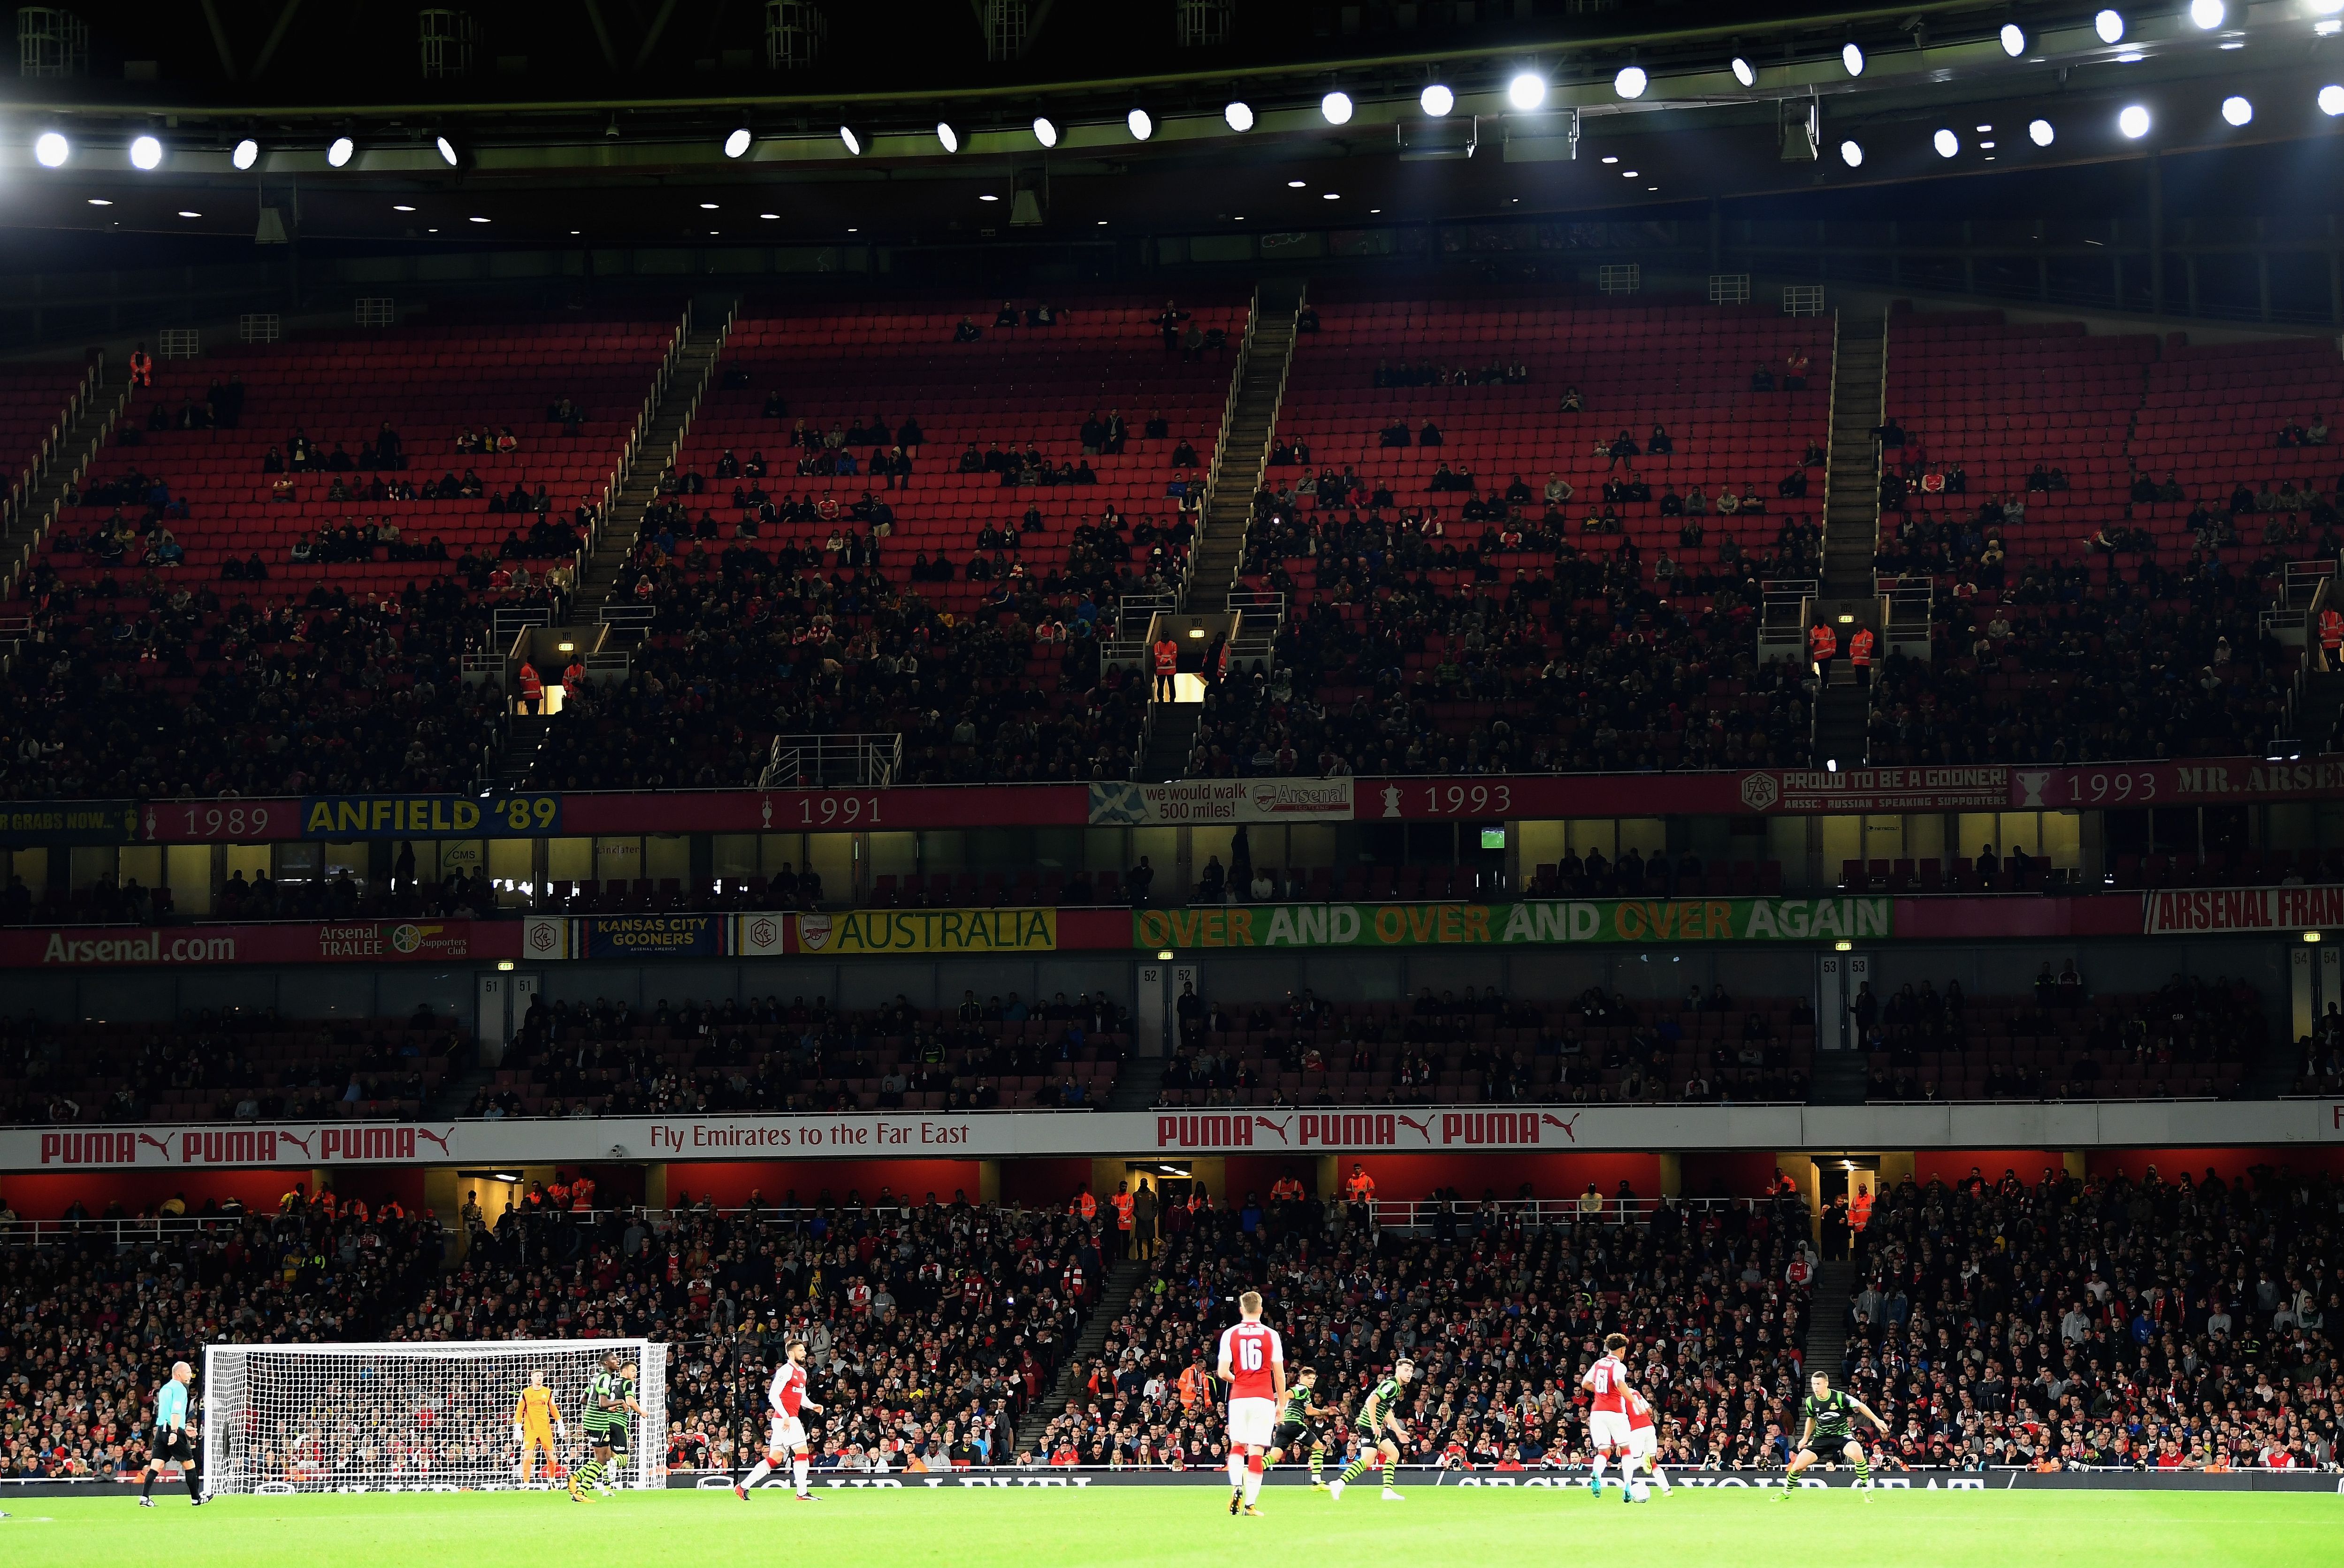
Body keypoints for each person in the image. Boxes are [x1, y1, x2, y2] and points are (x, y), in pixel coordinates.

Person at [1216, 1289, 1285, 1516]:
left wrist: (1241, 1380)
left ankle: (1237, 1485)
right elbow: (1279, 1374)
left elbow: (1222, 1372)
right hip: (1264, 1397)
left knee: (1237, 1445)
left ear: (1241, 1310)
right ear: (1261, 1310)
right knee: (1257, 1450)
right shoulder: (1271, 1335)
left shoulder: (1230, 1334)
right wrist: (1281, 1404)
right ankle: (1250, 1504)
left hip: (1239, 1397)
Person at [734, 1339, 824, 1502]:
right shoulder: (786, 1370)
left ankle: (742, 1487)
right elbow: (773, 1395)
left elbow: (801, 1397)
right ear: (791, 1354)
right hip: (787, 1419)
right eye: (801, 1351)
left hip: (784, 1420)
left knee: (775, 1459)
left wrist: (812, 1406)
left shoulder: (802, 1373)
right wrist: (785, 1416)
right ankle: (802, 1493)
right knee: (803, 1453)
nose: (805, 1353)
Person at [1779, 1369, 1887, 1498]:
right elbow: (1811, 1419)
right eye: (1814, 1384)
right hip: (1821, 1438)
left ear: (1826, 1384)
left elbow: (1860, 1405)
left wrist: (1877, 1420)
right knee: (1797, 1466)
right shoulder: (1810, 1401)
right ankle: (1786, 1493)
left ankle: (1866, 1488)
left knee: (1858, 1454)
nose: (1815, 1387)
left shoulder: (1840, 1397)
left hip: (1842, 1436)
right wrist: (1805, 1439)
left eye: (1818, 1384)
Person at [1328, 1358, 1413, 1501]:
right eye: (1406, 1370)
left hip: (1373, 1425)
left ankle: (1387, 1491)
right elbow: (1372, 1401)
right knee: (1368, 1460)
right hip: (1369, 1425)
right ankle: (1339, 1483)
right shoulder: (1391, 1385)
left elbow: (1386, 1409)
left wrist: (1398, 1430)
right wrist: (1374, 1425)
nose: (1409, 1374)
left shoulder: (1396, 1387)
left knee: (1394, 1454)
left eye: (1411, 1371)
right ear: (1398, 1371)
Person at [569, 1352, 641, 1500]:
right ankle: (581, 1493)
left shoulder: (596, 1377)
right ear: (606, 1363)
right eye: (614, 1359)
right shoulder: (607, 1377)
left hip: (592, 1419)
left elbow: (584, 1399)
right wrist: (620, 1403)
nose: (618, 1360)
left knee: (605, 1457)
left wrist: (599, 1407)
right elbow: (603, 1403)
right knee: (603, 1460)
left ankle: (575, 1479)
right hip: (598, 1421)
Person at [139, 1360, 205, 1507]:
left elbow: (167, 1412)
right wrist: (175, 1431)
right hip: (171, 1429)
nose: (191, 1375)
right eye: (188, 1372)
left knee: (156, 1465)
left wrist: (183, 1427)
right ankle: (196, 1499)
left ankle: (144, 1498)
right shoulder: (180, 1389)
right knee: (189, 1464)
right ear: (179, 1373)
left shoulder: (165, 1389)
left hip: (161, 1430)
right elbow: (175, 1411)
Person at [1581, 1331, 1636, 1499]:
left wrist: (1599, 1392)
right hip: (1615, 1411)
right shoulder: (1619, 1366)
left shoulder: (1598, 1364)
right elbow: (1620, 1384)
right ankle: (1627, 1485)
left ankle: (1597, 1473)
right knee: (1627, 1450)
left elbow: (1585, 1383)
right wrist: (1633, 1402)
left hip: (1597, 1412)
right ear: (1621, 1350)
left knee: (1603, 1451)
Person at [1265, 1365, 1334, 1488]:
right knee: (1318, 1447)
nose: (1312, 1381)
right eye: (1309, 1378)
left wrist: (1326, 1412)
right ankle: (1317, 1482)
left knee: (1274, 1457)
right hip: (1294, 1424)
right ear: (1301, 1378)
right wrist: (1279, 1410)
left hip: (1283, 1427)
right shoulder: (1303, 1389)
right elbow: (1286, 1394)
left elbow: (1309, 1411)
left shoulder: (1304, 1392)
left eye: (1314, 1378)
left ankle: (1251, 1471)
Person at [513, 1369, 565, 1484]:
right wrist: (518, 1427)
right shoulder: (526, 1393)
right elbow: (519, 1410)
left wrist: (560, 1422)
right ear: (532, 1378)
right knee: (527, 1457)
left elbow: (553, 1408)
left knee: (551, 1458)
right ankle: (526, 1483)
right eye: (537, 1376)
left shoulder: (548, 1392)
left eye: (541, 1376)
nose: (540, 1378)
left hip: (545, 1429)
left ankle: (552, 1480)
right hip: (531, 1429)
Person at [1622, 1387, 1671, 1496]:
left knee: (1629, 1462)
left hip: (1636, 1429)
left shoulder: (1620, 1395)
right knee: (1653, 1462)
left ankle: (1627, 1490)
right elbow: (1649, 1411)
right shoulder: (1636, 1392)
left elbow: (1621, 1417)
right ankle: (1667, 1490)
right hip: (1649, 1426)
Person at [1151, 631, 1179, 702]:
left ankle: (1172, 699)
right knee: (1161, 685)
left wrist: (1165, 661)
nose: (1165, 638)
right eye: (1164, 636)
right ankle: (1161, 699)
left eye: (1166, 636)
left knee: (1171, 684)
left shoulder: (1172, 644)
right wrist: (1167, 661)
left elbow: (1175, 654)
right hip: (1163, 669)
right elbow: (1157, 655)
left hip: (1168, 669)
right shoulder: (1158, 645)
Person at [1848, 622, 1875, 690]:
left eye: (1860, 625)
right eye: (1858, 626)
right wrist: (1852, 654)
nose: (1859, 627)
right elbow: (1852, 646)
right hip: (1857, 661)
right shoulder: (1855, 636)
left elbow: (1869, 645)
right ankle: (1861, 688)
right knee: (1859, 677)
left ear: (1863, 626)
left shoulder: (1869, 634)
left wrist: (1863, 653)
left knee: (1865, 676)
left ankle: (1866, 689)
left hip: (1864, 661)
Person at [1808, 618, 1837, 682]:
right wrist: (1814, 643)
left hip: (1828, 654)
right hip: (1819, 656)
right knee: (1822, 671)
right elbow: (1811, 642)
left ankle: (1825, 684)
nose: (1819, 622)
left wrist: (1833, 651)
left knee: (1826, 670)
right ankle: (1824, 684)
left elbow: (1833, 641)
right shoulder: (1812, 631)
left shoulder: (1829, 630)